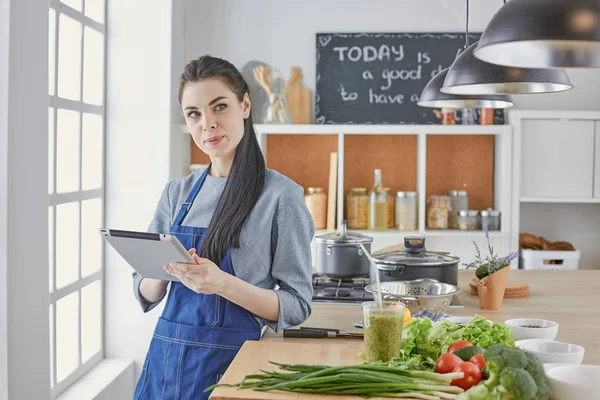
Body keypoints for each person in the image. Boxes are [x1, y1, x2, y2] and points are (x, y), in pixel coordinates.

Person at [131, 55, 314, 400]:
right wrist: (160, 270)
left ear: (245, 105)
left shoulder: (280, 196)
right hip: (166, 365)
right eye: (194, 114)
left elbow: (296, 305)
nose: (208, 124)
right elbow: (144, 292)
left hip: (236, 369)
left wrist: (222, 284)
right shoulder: (177, 193)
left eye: (219, 107)